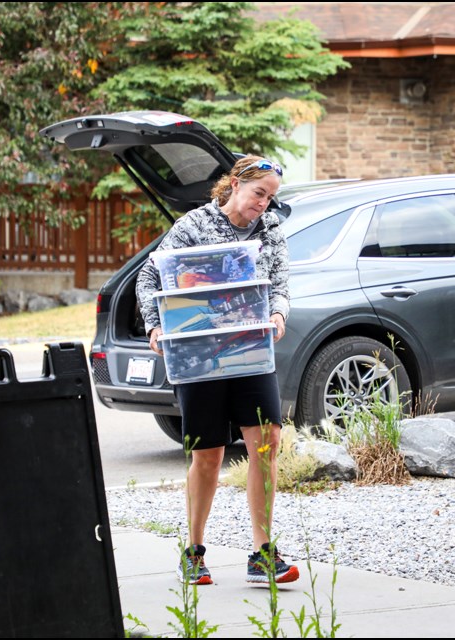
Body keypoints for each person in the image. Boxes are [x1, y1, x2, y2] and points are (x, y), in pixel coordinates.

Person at [135, 155, 298, 586]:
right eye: (258, 193)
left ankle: (263, 553)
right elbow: (148, 279)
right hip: (199, 353)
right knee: (208, 454)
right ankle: (193, 551)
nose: (263, 203)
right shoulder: (193, 226)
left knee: (267, 442)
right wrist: (155, 323)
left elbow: (280, 286)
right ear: (235, 185)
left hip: (250, 351)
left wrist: (278, 314)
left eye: (270, 197)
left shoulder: (272, 233)